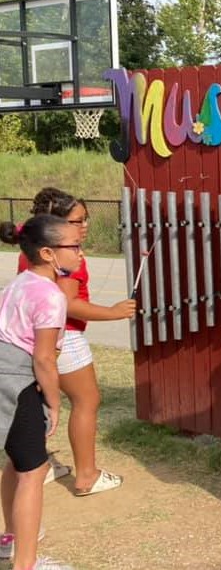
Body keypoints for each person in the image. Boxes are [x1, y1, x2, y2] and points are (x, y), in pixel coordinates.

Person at [17, 188, 135, 496]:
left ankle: (38, 465)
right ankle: (86, 475)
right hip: (64, 337)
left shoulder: (32, 249)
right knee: (87, 401)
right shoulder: (68, 256)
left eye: (85, 219)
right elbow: (67, 303)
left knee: (41, 403)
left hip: (36, 337)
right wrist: (113, 312)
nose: (84, 226)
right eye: (76, 221)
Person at [0, 214, 79, 570]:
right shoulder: (51, 296)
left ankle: (11, 540)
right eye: (73, 246)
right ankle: (26, 564)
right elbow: (45, 359)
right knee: (33, 472)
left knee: (16, 465)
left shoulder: (20, 282)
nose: (79, 253)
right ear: (48, 253)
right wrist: (54, 401)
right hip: (17, 384)